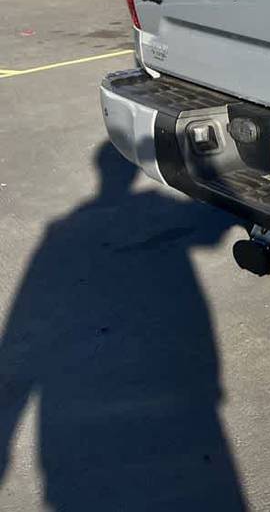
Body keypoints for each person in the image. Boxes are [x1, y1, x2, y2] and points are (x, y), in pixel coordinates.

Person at [0, 148, 247, 510]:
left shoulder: (64, 232)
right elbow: (211, 226)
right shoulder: (77, 230)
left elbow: (23, 326)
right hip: (184, 408)